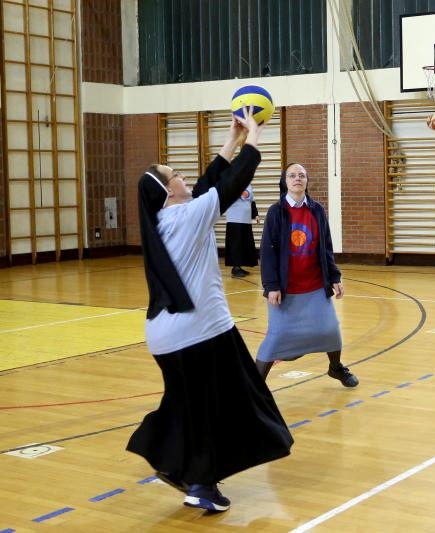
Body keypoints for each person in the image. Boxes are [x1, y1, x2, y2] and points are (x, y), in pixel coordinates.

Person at [127, 107, 293, 513]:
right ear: (168, 192)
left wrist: (233, 138)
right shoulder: (187, 216)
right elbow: (234, 181)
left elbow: (208, 181)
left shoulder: (171, 217)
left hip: (168, 336)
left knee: (192, 408)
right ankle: (198, 479)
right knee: (233, 404)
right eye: (175, 174)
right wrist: (253, 136)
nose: (184, 176)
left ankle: (183, 468)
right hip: (200, 333)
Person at [255, 163, 359, 388]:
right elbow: (267, 250)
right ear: (285, 182)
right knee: (275, 339)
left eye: (301, 175)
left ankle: (335, 368)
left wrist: (335, 276)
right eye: (292, 175)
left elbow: (326, 247)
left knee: (331, 330)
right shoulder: (276, 212)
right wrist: (271, 285)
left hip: (314, 287)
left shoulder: (317, 210)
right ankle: (254, 390)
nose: (297, 179)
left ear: (307, 181)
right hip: (286, 289)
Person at [224, 183, 259, 277]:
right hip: (234, 219)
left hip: (246, 219)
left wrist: (255, 214)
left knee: (244, 243)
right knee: (236, 244)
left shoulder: (248, 184)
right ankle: (235, 267)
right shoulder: (231, 183)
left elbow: (252, 200)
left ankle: (240, 266)